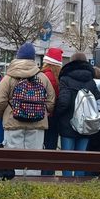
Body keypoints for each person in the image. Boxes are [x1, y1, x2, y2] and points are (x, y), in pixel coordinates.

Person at [0, 42, 55, 176]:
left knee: (13, 163)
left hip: (13, 123)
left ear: (18, 57)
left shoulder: (9, 78)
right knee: (34, 161)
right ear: (33, 59)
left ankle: (16, 193)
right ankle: (33, 192)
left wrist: (3, 114)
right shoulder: (43, 78)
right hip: (37, 125)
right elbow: (51, 102)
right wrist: (42, 112)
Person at [55, 52, 100, 176]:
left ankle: (67, 186)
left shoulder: (65, 79)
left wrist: (58, 114)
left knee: (67, 159)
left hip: (67, 124)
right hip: (86, 125)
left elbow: (64, 102)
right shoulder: (91, 81)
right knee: (81, 159)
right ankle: (79, 187)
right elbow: (99, 104)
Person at [40, 47, 62, 175]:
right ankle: (49, 172)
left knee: (41, 147)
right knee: (51, 146)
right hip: (55, 118)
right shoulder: (60, 78)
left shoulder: (43, 76)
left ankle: (42, 172)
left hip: (44, 115)